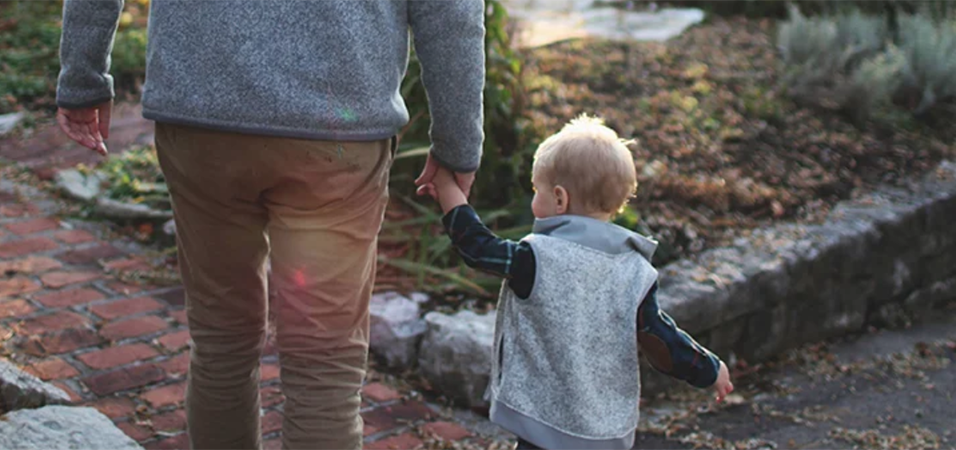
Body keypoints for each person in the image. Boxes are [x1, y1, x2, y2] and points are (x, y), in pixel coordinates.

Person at [53, 1, 487, 449]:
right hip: (336, 137)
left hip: (203, 120)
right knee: (324, 364)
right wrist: (457, 144)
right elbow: (450, 13)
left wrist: (82, 78)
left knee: (222, 343)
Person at [422, 115, 734, 450]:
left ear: (559, 199)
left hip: (542, 423)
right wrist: (709, 368)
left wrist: (447, 190)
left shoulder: (537, 257)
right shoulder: (635, 271)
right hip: (601, 428)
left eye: (535, 190)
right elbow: (661, 338)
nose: (533, 200)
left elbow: (478, 247)